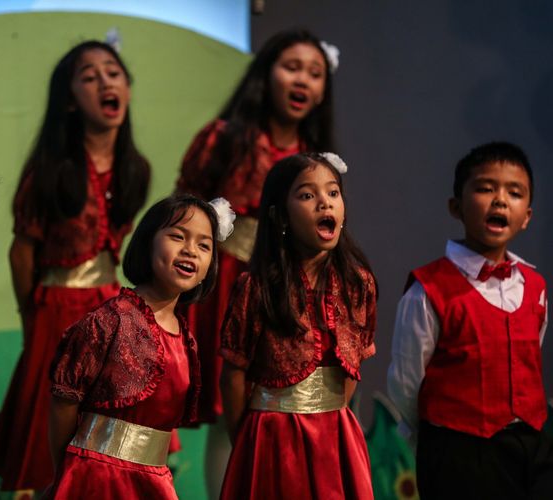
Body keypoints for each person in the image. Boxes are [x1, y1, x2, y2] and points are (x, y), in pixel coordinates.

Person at [174, 28, 338, 495]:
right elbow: (185, 213)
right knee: (233, 407)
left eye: (315, 72)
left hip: (294, 295)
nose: (302, 79)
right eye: (291, 67)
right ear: (265, 75)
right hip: (227, 284)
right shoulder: (223, 139)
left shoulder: (318, 158)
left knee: (282, 409)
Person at [0, 40, 150, 493]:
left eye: (112, 72)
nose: (104, 82)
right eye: (89, 76)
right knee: (52, 431)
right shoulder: (50, 170)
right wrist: (30, 316)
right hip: (56, 309)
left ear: (127, 88)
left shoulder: (135, 168)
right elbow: (22, 252)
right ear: (71, 100)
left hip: (111, 306)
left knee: (111, 431)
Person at [387, 142, 552, 499]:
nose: (500, 200)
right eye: (485, 188)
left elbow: (528, 357)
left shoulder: (535, 286)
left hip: (529, 445)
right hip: (458, 451)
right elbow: (406, 379)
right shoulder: (429, 288)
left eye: (514, 192)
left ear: (526, 216)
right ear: (456, 207)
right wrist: (435, 435)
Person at [45, 194, 231, 499]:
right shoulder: (108, 321)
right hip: (96, 482)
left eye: (204, 245)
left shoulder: (186, 339)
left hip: (152, 484)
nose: (190, 250)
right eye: (177, 236)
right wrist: (66, 476)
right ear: (147, 242)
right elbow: (63, 405)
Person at [219, 153, 376, 499]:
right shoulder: (258, 287)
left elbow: (353, 367)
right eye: (307, 195)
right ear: (281, 216)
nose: (325, 202)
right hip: (272, 436)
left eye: (333, 193)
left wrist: (328, 412)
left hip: (335, 436)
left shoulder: (357, 285)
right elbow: (233, 374)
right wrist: (246, 439)